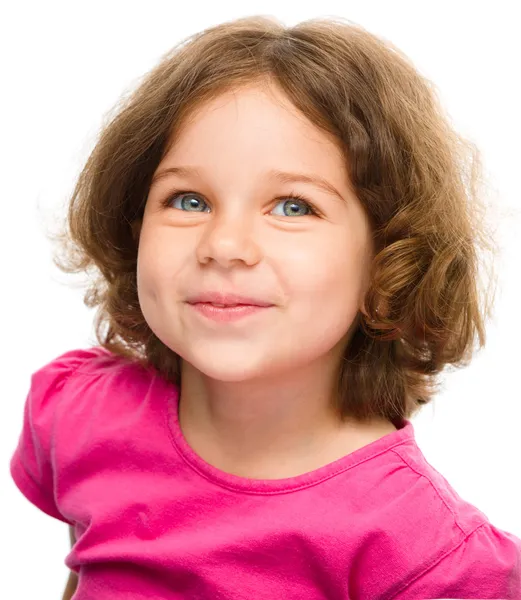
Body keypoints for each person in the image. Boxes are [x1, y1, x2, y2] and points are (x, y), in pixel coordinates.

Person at [9, 14, 520, 600]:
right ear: (132, 229)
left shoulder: (425, 555)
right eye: (189, 199)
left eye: (293, 207)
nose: (224, 245)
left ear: (388, 262)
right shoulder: (79, 415)